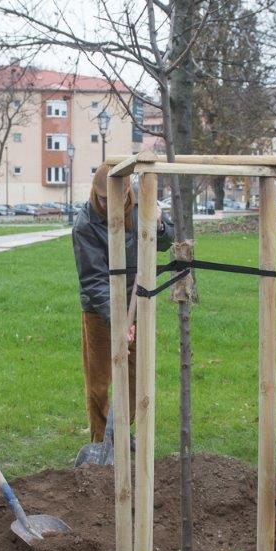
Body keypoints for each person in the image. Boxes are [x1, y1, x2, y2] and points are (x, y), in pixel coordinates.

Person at [71, 163, 170, 445]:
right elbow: (93, 280)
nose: (110, 204)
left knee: (136, 377)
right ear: (96, 193)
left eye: (118, 197)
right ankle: (101, 440)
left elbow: (164, 242)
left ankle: (120, 434)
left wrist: (160, 225)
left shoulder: (141, 203)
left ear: (128, 191)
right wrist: (117, 321)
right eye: (103, 199)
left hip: (138, 304)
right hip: (99, 310)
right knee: (100, 382)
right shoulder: (85, 224)